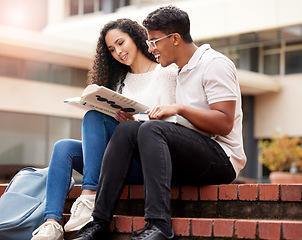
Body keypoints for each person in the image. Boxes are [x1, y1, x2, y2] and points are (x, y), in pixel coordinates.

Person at [73, 5, 247, 240]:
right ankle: (99, 222)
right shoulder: (180, 71)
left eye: (154, 41)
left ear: (175, 38)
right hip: (190, 155)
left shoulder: (214, 64)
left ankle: (159, 225)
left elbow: (224, 123)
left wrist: (180, 108)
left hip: (221, 159)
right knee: (127, 129)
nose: (150, 47)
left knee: (152, 129)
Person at [31, 18, 177, 240]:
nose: (118, 52)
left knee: (95, 117)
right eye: (112, 49)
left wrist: (136, 123)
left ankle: (89, 196)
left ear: (136, 39)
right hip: (116, 163)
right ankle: (52, 224)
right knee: (64, 147)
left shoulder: (165, 73)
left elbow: (171, 128)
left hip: (148, 163)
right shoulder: (119, 82)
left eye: (121, 43)